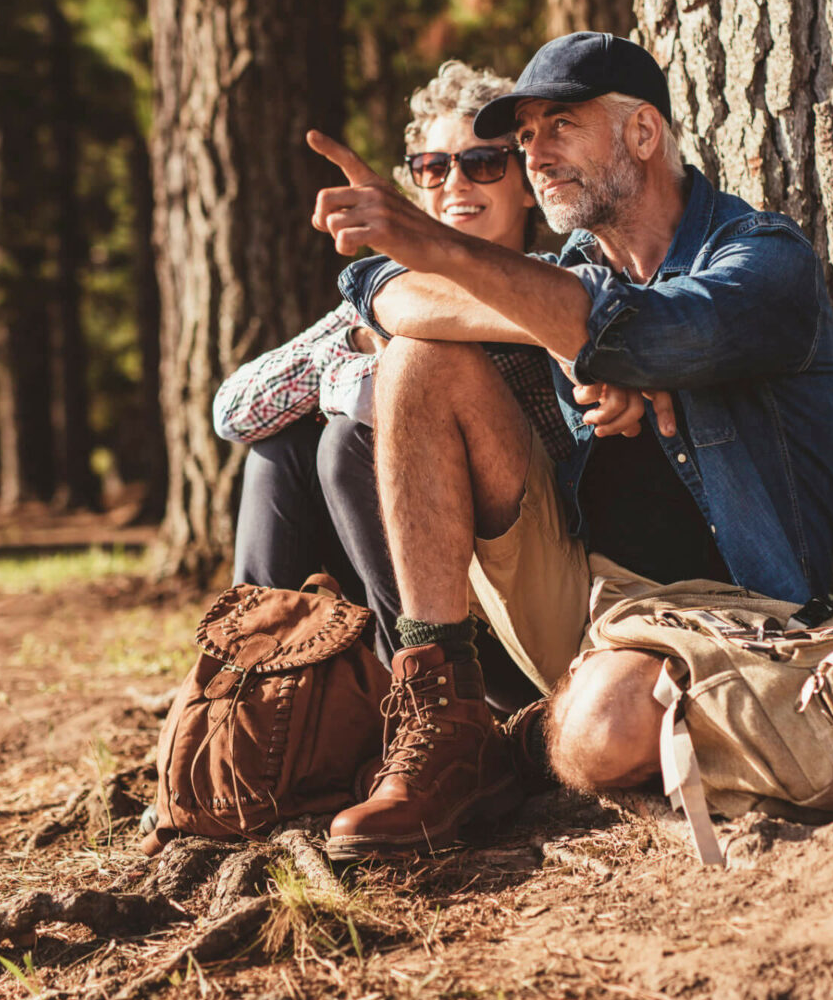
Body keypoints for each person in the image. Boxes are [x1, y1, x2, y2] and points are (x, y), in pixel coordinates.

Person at [306, 31, 833, 859]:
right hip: (580, 594)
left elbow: (660, 330)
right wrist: (566, 339)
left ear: (642, 133)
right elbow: (385, 293)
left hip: (730, 614)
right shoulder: (571, 271)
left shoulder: (765, 260)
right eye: (524, 138)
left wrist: (595, 337)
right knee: (419, 363)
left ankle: (519, 743)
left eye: (559, 125)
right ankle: (444, 721)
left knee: (599, 734)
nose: (535, 155)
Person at [212, 60, 568, 709]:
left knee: (348, 443)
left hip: (517, 590)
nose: (455, 183)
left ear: (525, 185)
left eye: (483, 163)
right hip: (398, 573)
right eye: (434, 168)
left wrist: (373, 369)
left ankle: (436, 708)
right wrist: (356, 346)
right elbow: (233, 410)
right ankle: (245, 711)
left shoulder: (551, 282)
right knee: (279, 454)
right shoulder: (383, 293)